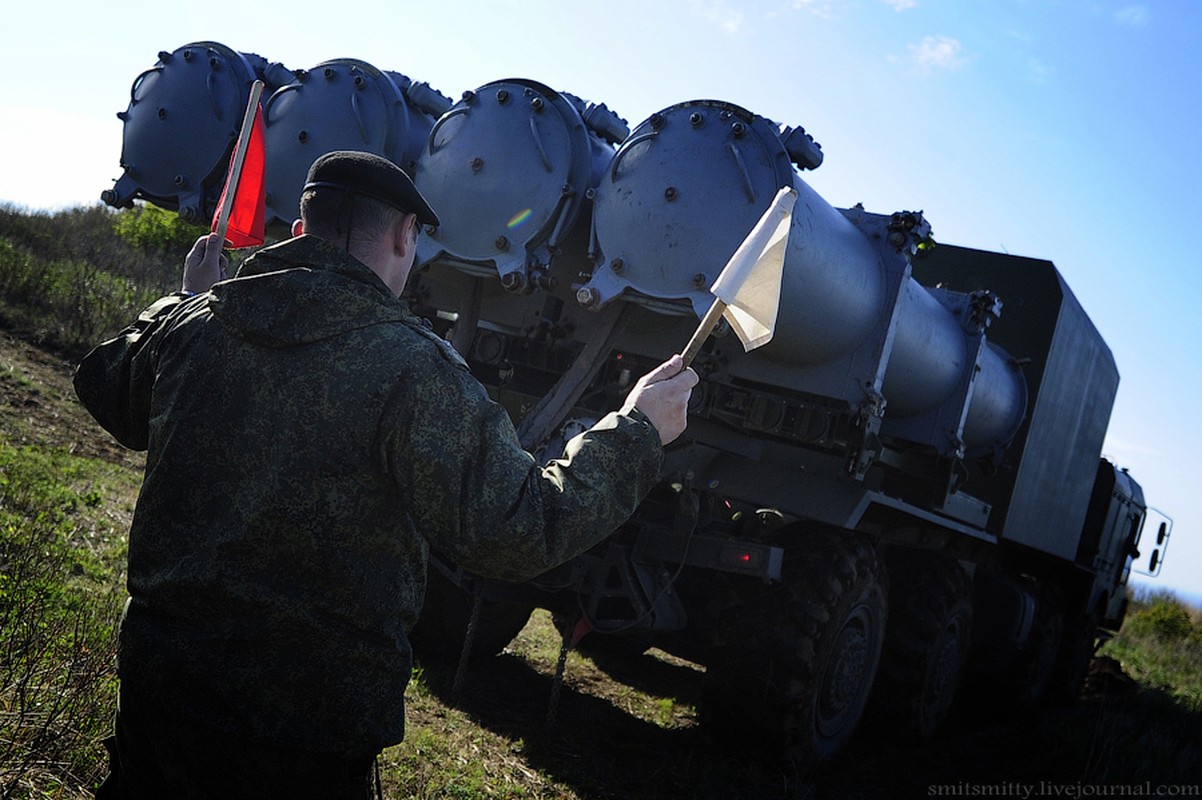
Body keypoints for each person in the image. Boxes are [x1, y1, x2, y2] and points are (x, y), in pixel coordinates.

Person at [75, 150, 697, 799]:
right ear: (405, 235)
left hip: (162, 692)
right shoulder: (415, 370)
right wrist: (637, 430)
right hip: (305, 733)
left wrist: (185, 298)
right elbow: (515, 530)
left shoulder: (194, 324)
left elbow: (105, 388)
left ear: (298, 230)